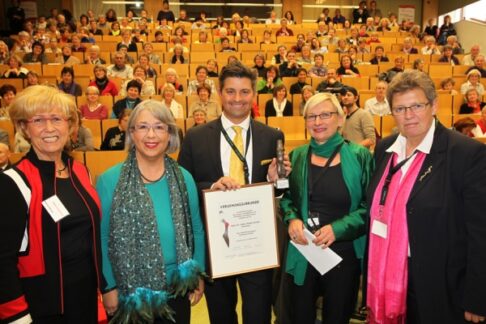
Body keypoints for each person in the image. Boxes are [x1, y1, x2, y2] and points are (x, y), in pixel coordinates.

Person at [366, 69, 486, 323]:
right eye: (399, 109)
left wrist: (478, 295)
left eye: (416, 105)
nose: (408, 116)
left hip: (442, 285)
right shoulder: (383, 149)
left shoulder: (467, 154)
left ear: (434, 106)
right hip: (389, 276)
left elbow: (481, 231)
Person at [178, 61, 290, 324]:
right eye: (230, 91)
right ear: (220, 93)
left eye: (244, 92)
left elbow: (282, 190)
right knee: (221, 315)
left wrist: (278, 182)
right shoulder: (195, 137)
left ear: (254, 94)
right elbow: (181, 188)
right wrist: (210, 187)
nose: (237, 99)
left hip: (257, 241)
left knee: (258, 315)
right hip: (217, 242)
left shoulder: (273, 135)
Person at [0, 85, 103, 323]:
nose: (49, 128)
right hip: (41, 307)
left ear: (70, 125)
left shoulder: (80, 171)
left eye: (56, 118)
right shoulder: (13, 182)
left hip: (85, 298)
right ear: (24, 128)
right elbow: (3, 259)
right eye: (38, 120)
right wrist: (17, 315)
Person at [97, 100, 205, 323]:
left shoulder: (184, 177)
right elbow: (102, 237)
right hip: (129, 293)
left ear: (170, 134)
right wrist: (108, 286)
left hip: (177, 289)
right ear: (132, 133)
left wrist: (197, 274)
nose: (151, 135)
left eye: (159, 127)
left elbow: (196, 229)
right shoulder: (109, 180)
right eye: (143, 127)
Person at [283, 90, 372, 324]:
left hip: (343, 252)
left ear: (340, 118)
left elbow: (370, 206)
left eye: (325, 115)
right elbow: (286, 198)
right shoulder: (297, 156)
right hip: (305, 249)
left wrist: (338, 228)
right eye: (311, 117)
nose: (318, 122)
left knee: (337, 316)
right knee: (300, 315)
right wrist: (292, 218)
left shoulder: (360, 155)